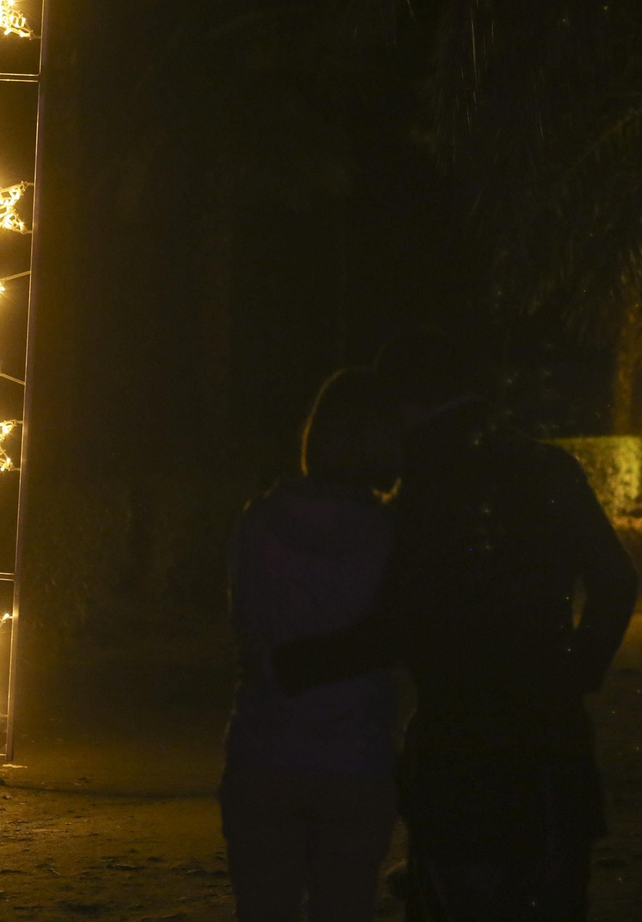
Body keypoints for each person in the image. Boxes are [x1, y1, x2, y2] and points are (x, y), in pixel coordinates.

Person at [274, 332, 638, 921]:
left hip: (461, 743)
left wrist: (295, 665)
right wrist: (575, 670)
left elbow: (400, 621)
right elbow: (616, 581)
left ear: (403, 404)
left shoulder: (420, 488)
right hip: (553, 737)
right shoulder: (547, 466)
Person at [220, 367, 405, 922]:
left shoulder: (261, 518)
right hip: (356, 753)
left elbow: (243, 622)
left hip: (265, 745)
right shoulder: (390, 532)